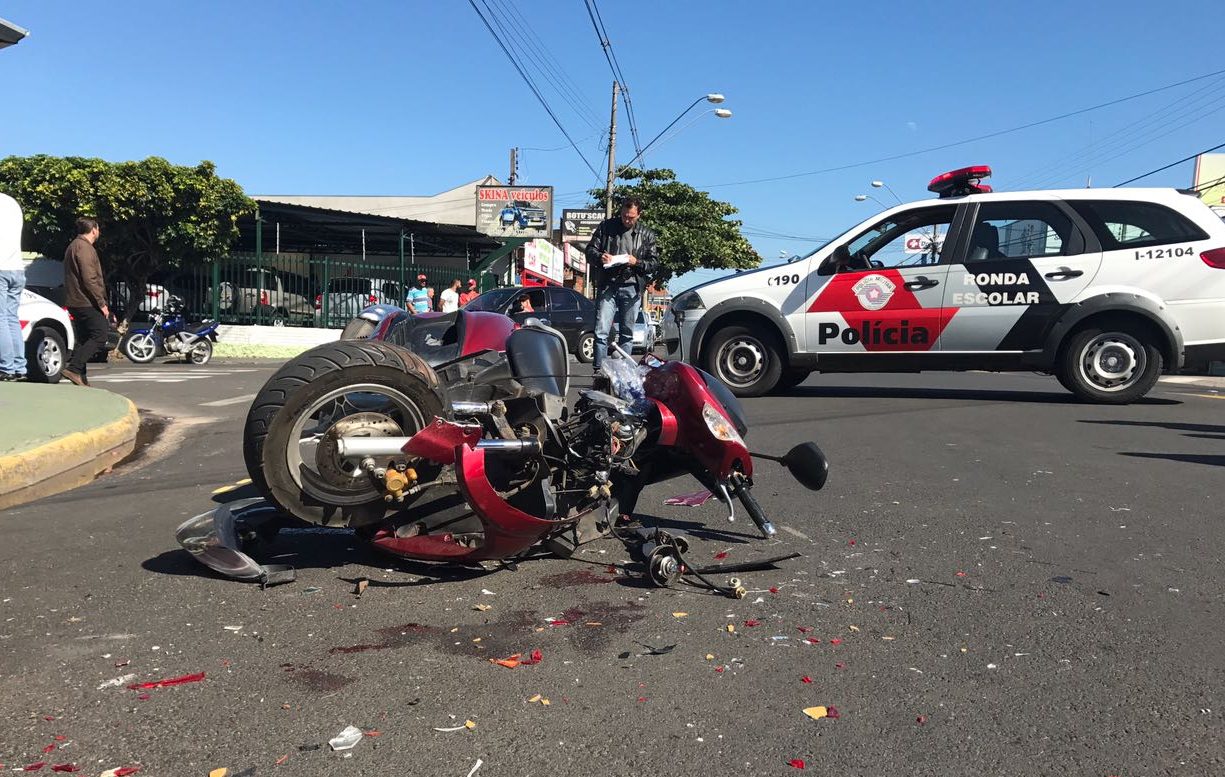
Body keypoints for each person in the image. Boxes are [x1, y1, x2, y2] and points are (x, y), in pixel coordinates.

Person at [584, 197, 658, 371]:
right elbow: (590, 250)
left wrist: (636, 262)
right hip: (608, 284)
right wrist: (600, 257)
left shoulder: (647, 234)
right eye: (624, 215)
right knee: (601, 331)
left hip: (632, 286)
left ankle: (624, 374)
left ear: (639, 215)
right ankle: (599, 372)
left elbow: (654, 263)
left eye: (631, 217)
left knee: (627, 334)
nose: (626, 220)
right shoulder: (606, 227)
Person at [63, 217, 111, 386]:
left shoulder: (73, 246)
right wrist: (102, 303)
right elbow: (89, 279)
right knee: (100, 334)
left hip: (75, 300)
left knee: (84, 338)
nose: (99, 232)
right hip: (85, 301)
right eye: (98, 229)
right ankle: (74, 369)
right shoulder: (84, 248)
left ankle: (81, 378)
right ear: (94, 230)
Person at [0, 192, 27, 381]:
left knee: (1, 318)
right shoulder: (12, 202)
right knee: (11, 318)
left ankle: (6, 368)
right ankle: (20, 367)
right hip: (17, 267)